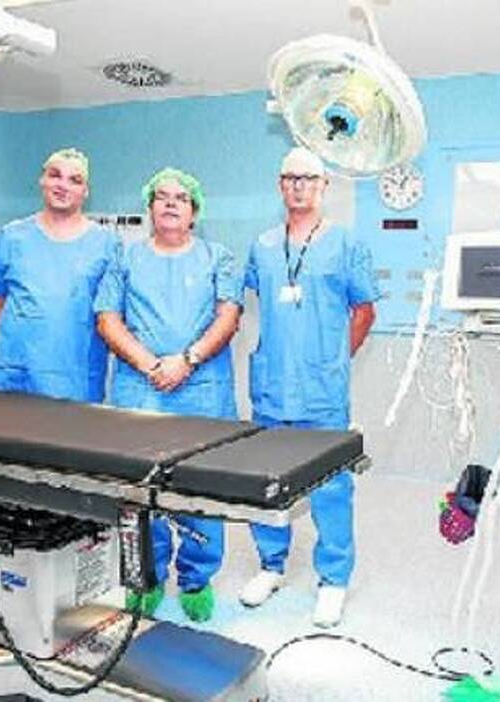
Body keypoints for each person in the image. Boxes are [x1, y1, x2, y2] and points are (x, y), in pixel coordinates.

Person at [238, 147, 378, 627]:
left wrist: (335, 359)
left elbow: (365, 311)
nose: (299, 186)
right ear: (281, 185)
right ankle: (270, 566)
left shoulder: (345, 244)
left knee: (331, 487)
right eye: (291, 178)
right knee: (266, 479)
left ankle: (333, 580)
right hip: (272, 384)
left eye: (309, 179)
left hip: (322, 390)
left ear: (324, 187)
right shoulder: (261, 245)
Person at [95, 168, 242, 622]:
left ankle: (197, 578)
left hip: (203, 390)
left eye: (181, 198)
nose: (171, 203)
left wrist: (188, 360)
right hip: (141, 389)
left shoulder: (218, 257)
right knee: (141, 490)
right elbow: (107, 318)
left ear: (194, 211)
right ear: (150, 207)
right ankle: (146, 576)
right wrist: (149, 364)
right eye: (162, 197)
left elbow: (228, 316)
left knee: (203, 486)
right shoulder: (126, 258)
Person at [0, 148, 117, 403]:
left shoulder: (106, 244)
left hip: (77, 376)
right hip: (18, 373)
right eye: (55, 175)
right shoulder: (11, 237)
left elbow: (111, 315)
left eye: (75, 180)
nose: (63, 185)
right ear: (42, 180)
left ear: (85, 191)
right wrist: (26, 337)